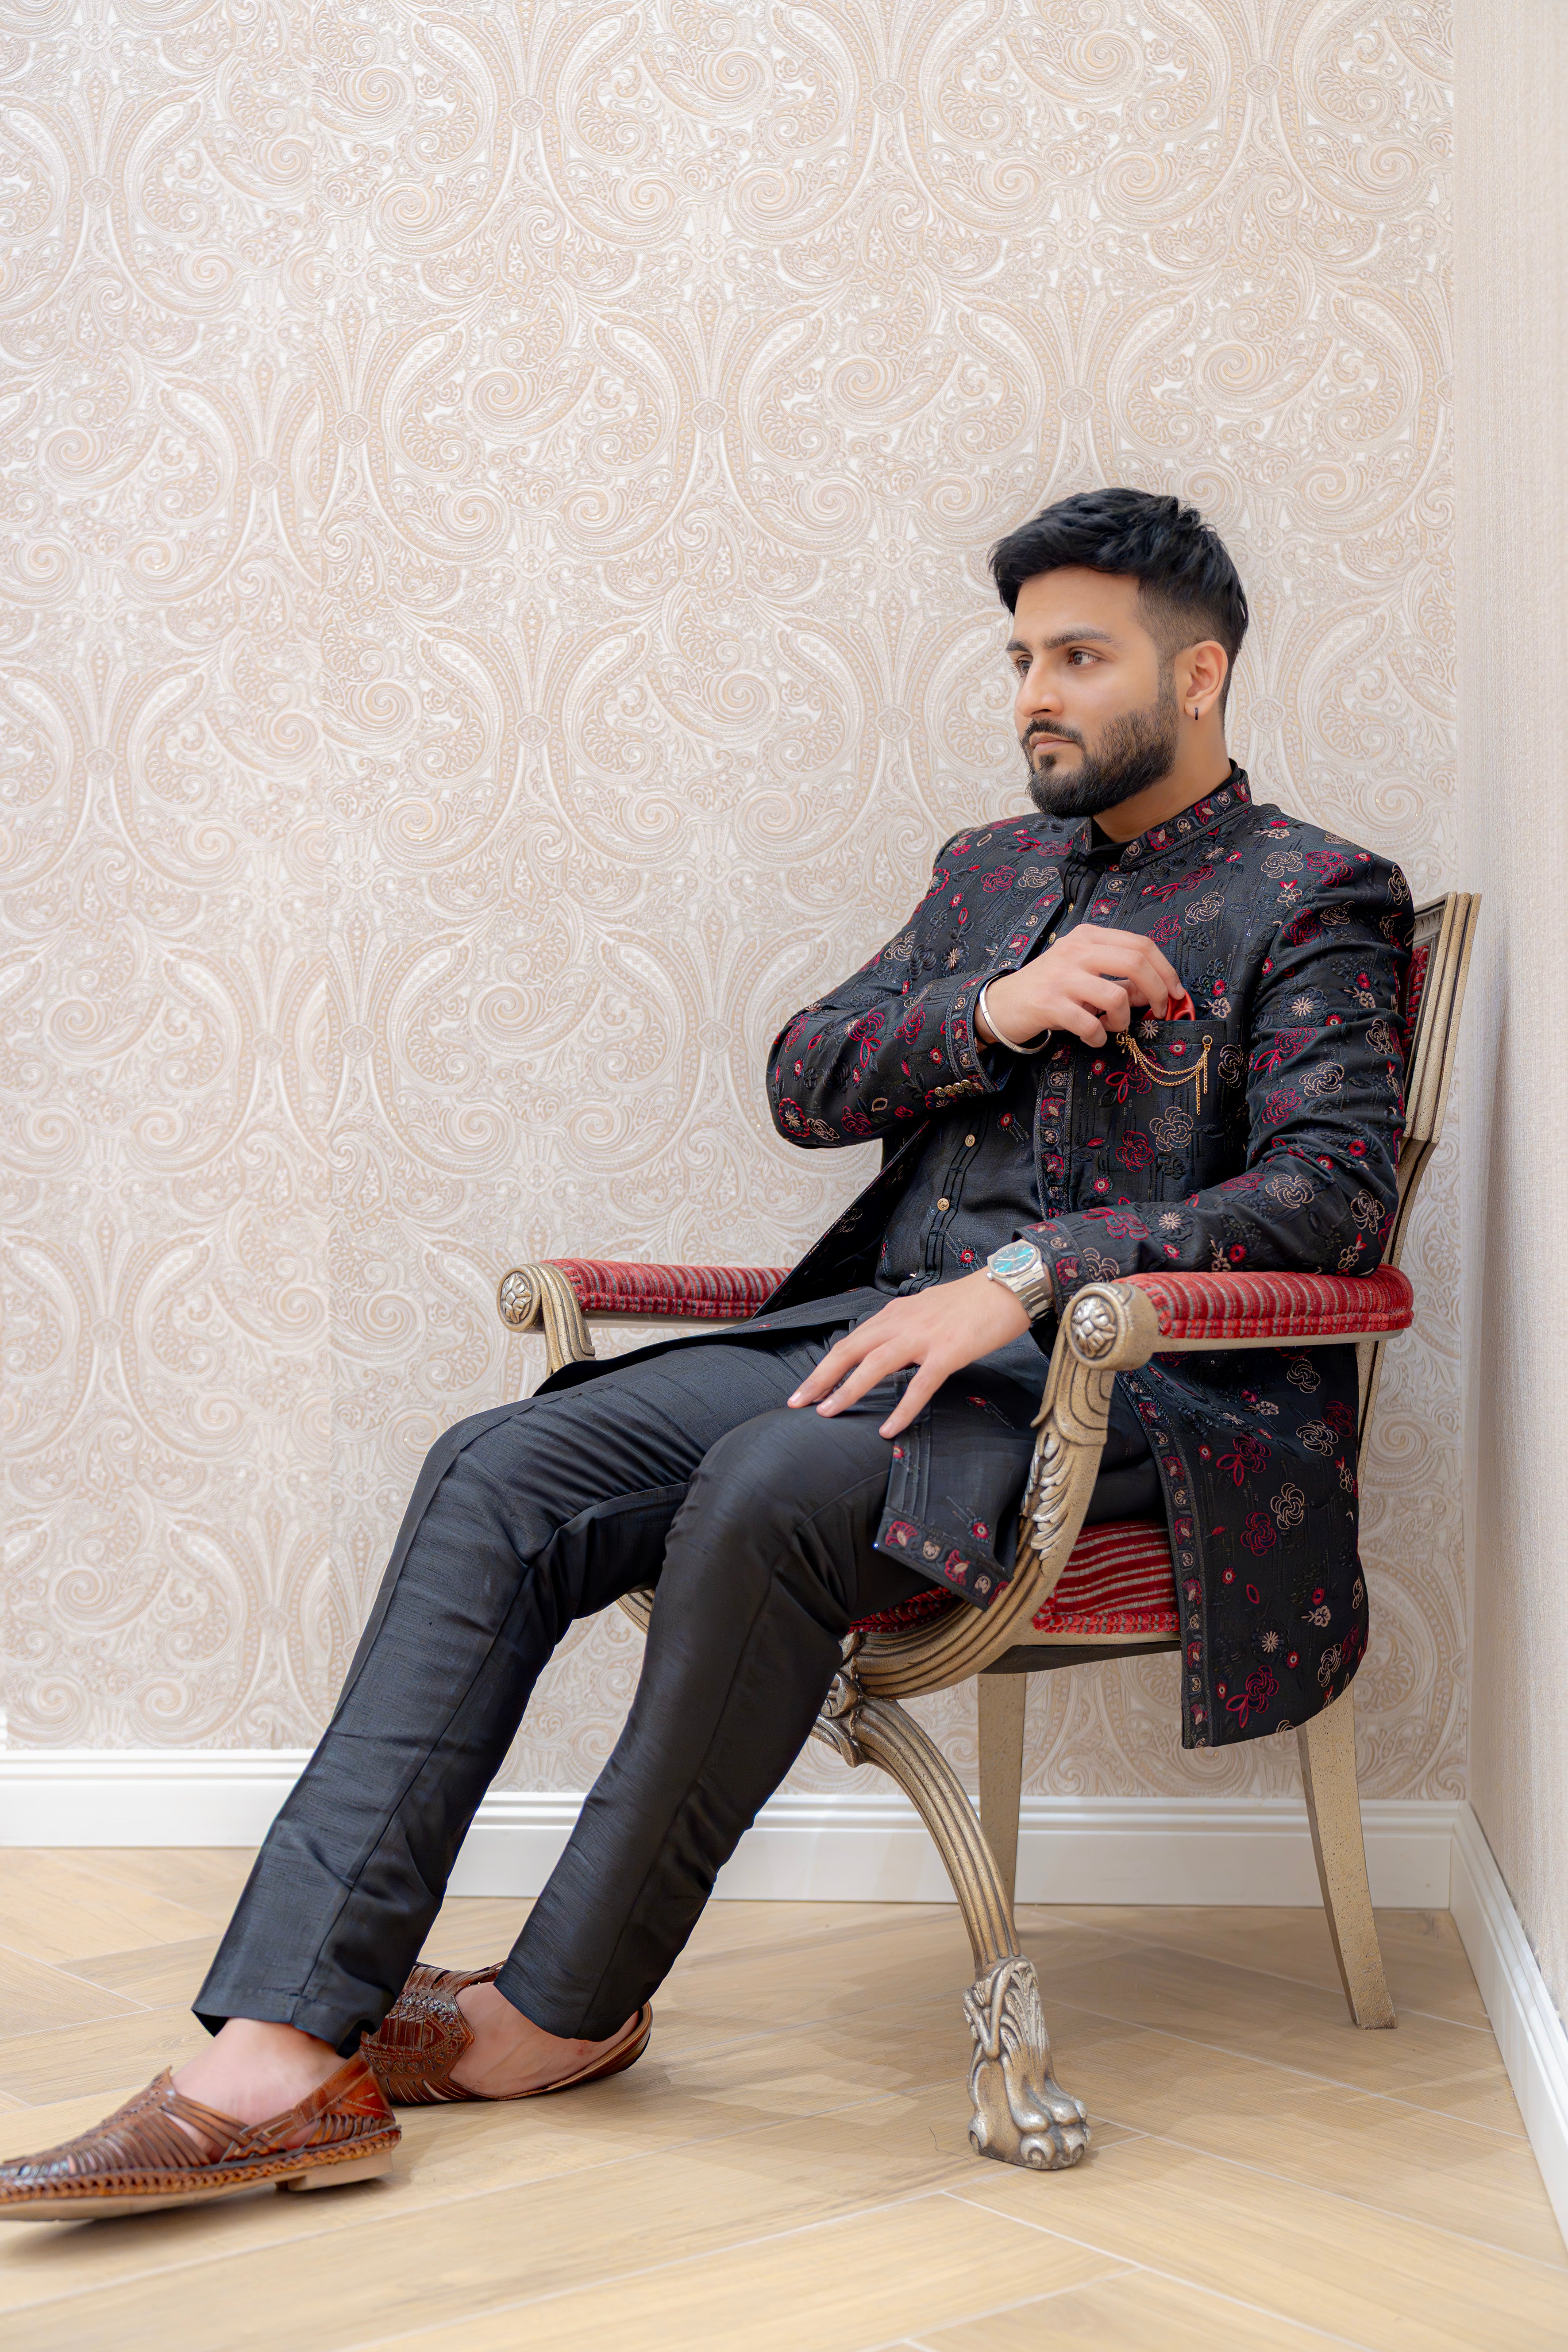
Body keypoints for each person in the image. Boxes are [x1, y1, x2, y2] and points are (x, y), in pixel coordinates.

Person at [0, 489, 1410, 2218]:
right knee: (498, 1462)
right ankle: (277, 2054)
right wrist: (990, 1007)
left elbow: (1330, 1197)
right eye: (1020, 655)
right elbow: (806, 1075)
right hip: (864, 1343)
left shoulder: (1316, 893)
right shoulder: (993, 874)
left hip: (1123, 1394)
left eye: (1078, 655)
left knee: (771, 1480)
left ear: (1198, 676)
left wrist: (1036, 1274)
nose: (1034, 689)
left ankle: (555, 2018)